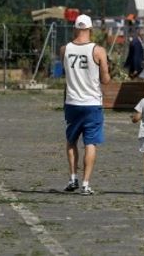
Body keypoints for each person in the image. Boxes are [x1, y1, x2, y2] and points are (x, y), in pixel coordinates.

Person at [61, 14, 110, 195]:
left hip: (72, 101)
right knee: (90, 143)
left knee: (71, 140)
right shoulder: (98, 50)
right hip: (92, 102)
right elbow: (105, 79)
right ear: (90, 29)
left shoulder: (65, 49)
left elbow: (65, 72)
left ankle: (72, 177)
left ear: (75, 28)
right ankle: (86, 183)